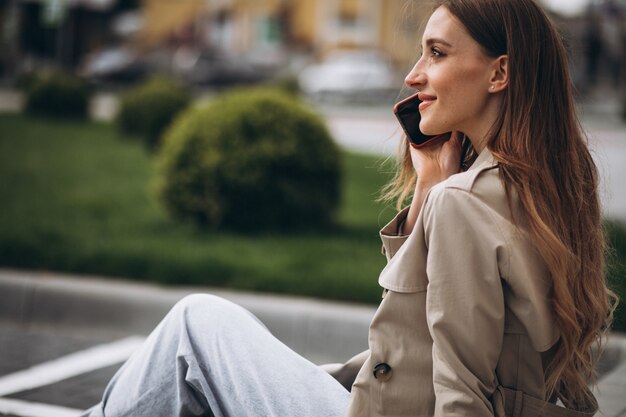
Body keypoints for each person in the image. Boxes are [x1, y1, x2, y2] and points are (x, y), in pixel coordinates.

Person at [81, 0, 617, 416]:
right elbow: (438, 339)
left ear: (499, 73)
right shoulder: (552, 188)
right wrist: (429, 193)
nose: (413, 75)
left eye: (436, 53)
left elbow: (460, 388)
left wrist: (440, 198)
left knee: (195, 324)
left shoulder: (464, 203)